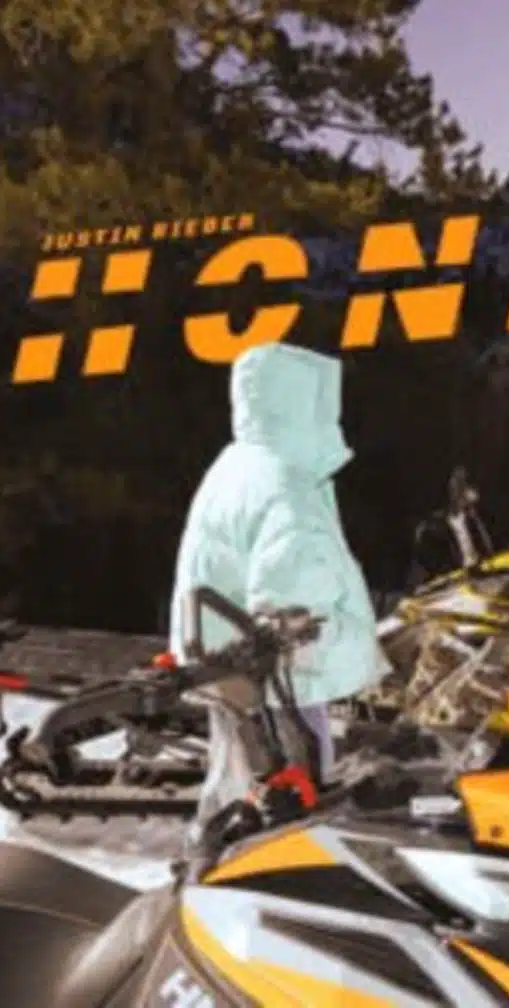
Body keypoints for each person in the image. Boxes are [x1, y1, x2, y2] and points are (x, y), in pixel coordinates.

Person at [168, 341, 391, 828]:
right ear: (300, 406)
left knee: (239, 777)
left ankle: (216, 850)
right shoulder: (284, 484)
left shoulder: (236, 465)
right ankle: (265, 864)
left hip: (226, 659)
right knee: (297, 791)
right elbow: (293, 589)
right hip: (279, 675)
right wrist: (324, 641)